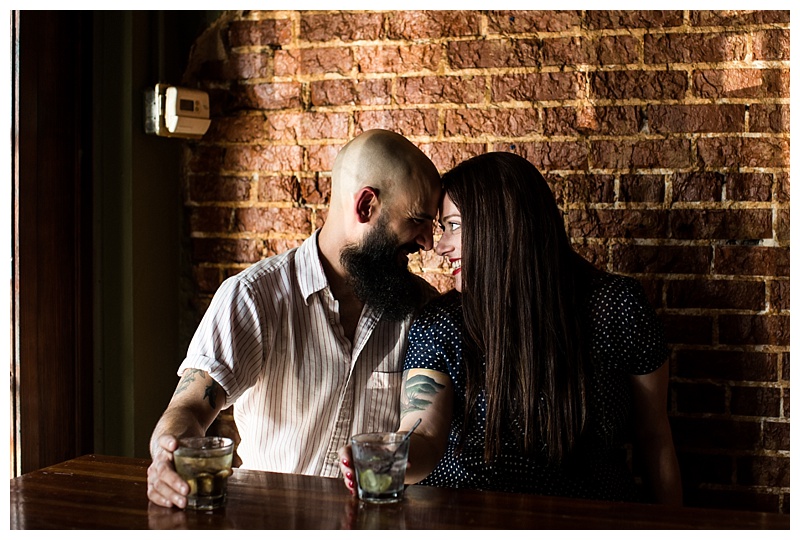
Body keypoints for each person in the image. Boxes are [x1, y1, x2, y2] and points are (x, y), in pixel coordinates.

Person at [338, 152, 683, 505]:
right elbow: (424, 432)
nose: (439, 247)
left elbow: (654, 436)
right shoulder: (440, 322)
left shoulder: (617, 307)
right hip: (466, 521)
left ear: (503, 224)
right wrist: (392, 459)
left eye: (453, 226)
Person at [147, 129, 442, 509]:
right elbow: (188, 407)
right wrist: (167, 454)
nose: (429, 242)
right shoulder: (253, 297)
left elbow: (427, 435)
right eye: (418, 220)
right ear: (365, 206)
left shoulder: (422, 309)